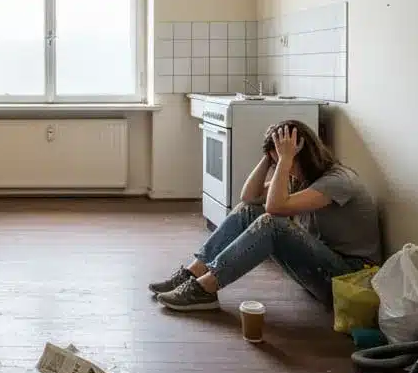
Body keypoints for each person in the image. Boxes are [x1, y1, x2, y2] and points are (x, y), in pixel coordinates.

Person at [149, 120, 381, 311]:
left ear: (302, 155)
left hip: (350, 279)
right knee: (249, 211)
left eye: (284, 161)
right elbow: (249, 197)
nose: (283, 168)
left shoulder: (338, 181)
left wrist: (284, 159)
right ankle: (193, 273)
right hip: (324, 270)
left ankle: (205, 289)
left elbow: (275, 208)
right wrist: (269, 158)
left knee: (271, 223)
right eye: (275, 161)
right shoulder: (302, 179)